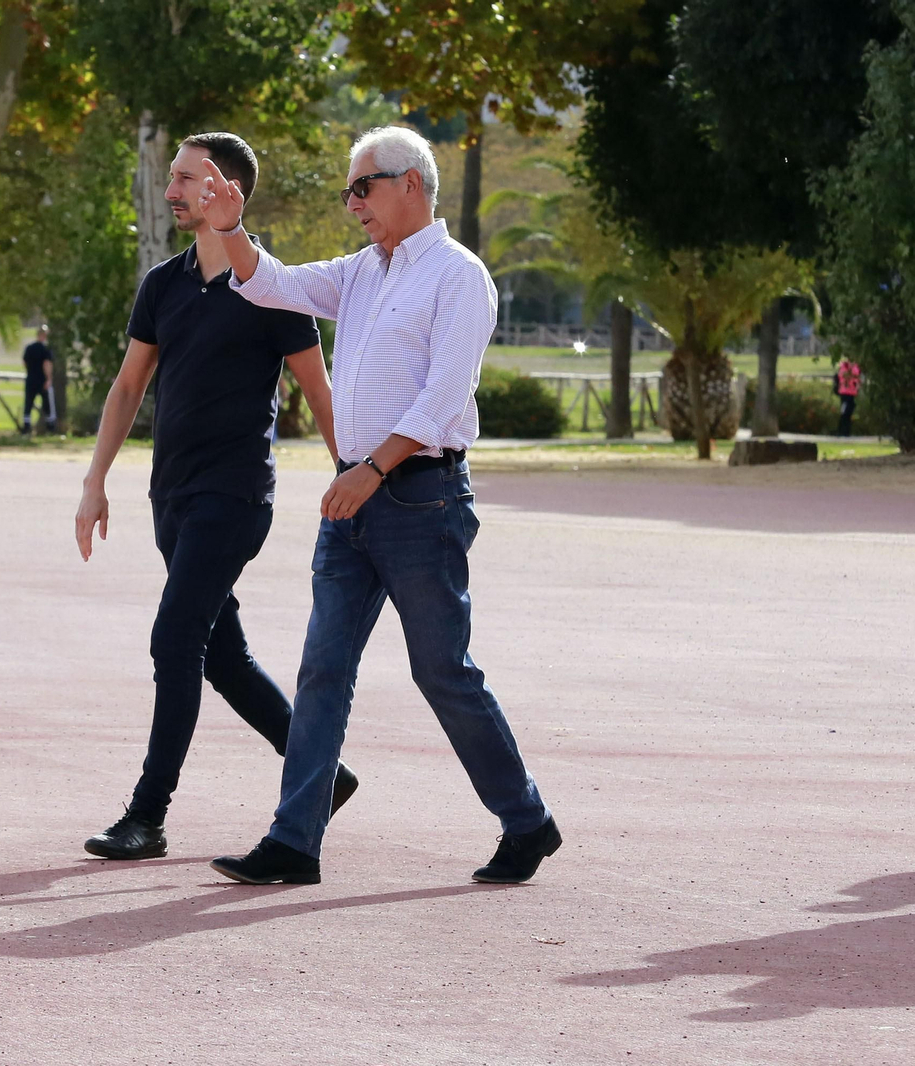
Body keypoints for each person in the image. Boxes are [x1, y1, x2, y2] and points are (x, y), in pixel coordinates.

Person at [200, 126, 559, 887]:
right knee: (322, 670)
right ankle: (294, 841)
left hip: (421, 500)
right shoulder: (363, 271)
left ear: (413, 186)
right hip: (352, 504)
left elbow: (443, 397)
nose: (353, 202)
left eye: (365, 187)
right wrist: (231, 229)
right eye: (348, 190)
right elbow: (273, 284)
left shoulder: (460, 277)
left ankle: (526, 820)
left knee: (442, 672)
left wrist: (370, 469)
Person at [75, 131, 347, 861]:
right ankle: (323, 773)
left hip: (234, 498)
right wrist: (95, 481)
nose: (172, 191)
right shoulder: (162, 284)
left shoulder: (273, 287)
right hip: (173, 497)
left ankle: (147, 815)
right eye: (172, 177)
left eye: (187, 178)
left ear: (225, 189)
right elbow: (130, 384)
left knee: (175, 639)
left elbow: (317, 392)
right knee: (221, 657)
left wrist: (353, 475)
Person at [21, 325, 57, 433]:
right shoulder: (45, 349)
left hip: (30, 379)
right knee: (47, 404)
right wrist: (48, 379)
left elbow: (24, 362)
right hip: (42, 380)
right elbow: (47, 364)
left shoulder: (29, 348)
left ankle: (26, 426)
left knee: (28, 403)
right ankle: (50, 427)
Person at [834, 357, 861, 436]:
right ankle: (842, 430)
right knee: (845, 412)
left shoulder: (848, 367)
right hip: (845, 393)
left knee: (847, 412)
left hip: (850, 393)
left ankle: (845, 430)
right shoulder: (846, 367)